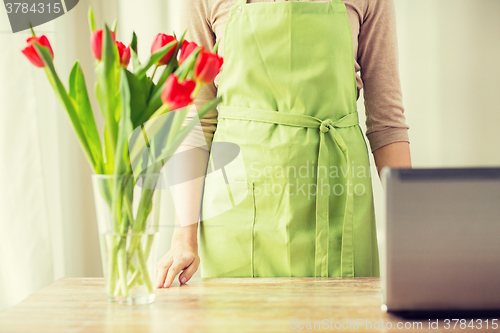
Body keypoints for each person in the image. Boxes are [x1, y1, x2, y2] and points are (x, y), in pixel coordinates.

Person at [156, 0, 411, 288]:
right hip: (237, 213)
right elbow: (196, 121)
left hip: (339, 203)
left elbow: (387, 123)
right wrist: (183, 236)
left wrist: (413, 233)